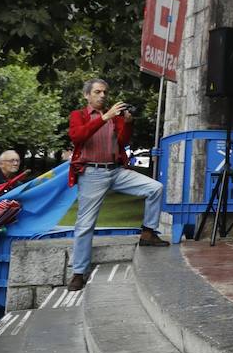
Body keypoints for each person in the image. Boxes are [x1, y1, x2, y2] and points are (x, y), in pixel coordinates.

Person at [65, 79, 168, 292]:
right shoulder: (79, 115)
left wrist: (127, 122)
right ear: (87, 95)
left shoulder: (115, 117)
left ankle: (148, 233)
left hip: (116, 170)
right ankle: (78, 272)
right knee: (85, 224)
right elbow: (78, 136)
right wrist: (105, 117)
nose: (102, 95)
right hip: (92, 173)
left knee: (155, 188)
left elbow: (122, 141)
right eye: (97, 92)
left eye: (105, 92)